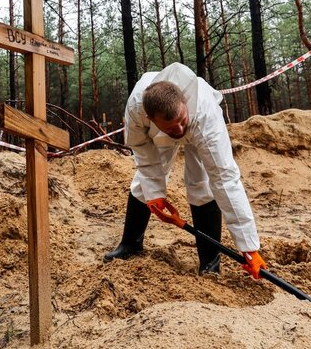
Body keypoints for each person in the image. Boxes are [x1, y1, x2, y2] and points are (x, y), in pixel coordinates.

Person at [104, 62, 267, 278]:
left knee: (202, 184)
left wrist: (249, 247)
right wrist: (154, 193)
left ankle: (210, 262)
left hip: (199, 126)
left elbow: (225, 179)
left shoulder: (204, 113)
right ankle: (130, 244)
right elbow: (141, 147)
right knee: (142, 185)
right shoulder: (136, 108)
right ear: (150, 118)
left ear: (185, 102)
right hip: (159, 134)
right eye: (173, 127)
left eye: (182, 122)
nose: (180, 130)